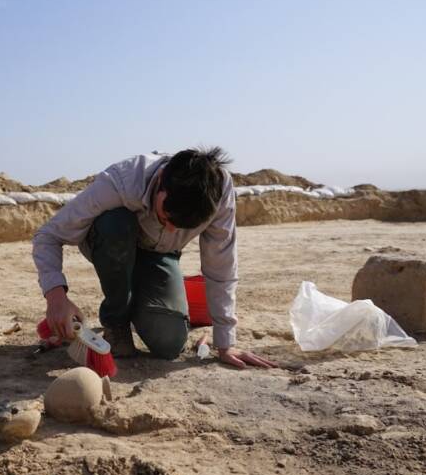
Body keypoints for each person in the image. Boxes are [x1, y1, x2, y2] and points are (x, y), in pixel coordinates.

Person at [32, 147, 277, 369]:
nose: (171, 229)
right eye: (165, 217)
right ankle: (117, 324)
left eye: (180, 226)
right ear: (160, 182)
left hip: (160, 255)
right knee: (116, 225)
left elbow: (221, 265)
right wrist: (56, 297)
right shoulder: (120, 182)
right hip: (112, 244)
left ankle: (142, 304)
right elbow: (48, 236)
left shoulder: (219, 193)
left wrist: (225, 343)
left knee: (168, 343)